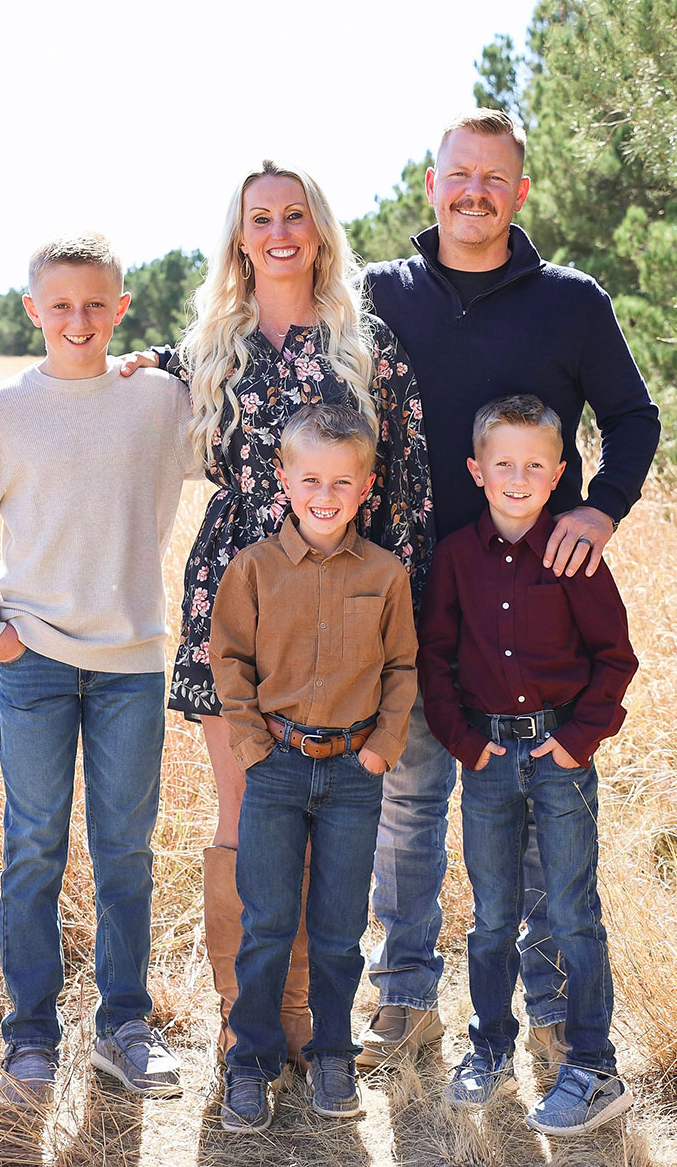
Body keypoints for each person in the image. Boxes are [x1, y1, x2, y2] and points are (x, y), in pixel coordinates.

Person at [358, 108, 660, 1068]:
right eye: (460, 174)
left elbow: (633, 415)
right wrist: (159, 362)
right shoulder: (377, 295)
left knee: (536, 821)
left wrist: (600, 510)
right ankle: (406, 996)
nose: (474, 192)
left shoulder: (570, 302)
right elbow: (279, 350)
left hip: (538, 615)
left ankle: (554, 1008)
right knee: (410, 807)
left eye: (494, 178)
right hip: (409, 600)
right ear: (433, 183)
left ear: (520, 192)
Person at [120, 160, 434, 1068]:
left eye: (295, 215)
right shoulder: (211, 346)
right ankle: (245, 1027)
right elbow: (147, 384)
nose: (279, 231)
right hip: (235, 590)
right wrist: (136, 363)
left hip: (339, 602)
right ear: (240, 237)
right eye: (260, 218)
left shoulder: (363, 344)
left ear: (319, 230)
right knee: (246, 812)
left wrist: (394, 614)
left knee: (322, 818)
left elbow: (406, 486)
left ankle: (304, 1026)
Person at [0, 234, 194, 1105]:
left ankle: (124, 1027)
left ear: (122, 308)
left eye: (95, 304)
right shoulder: (3, 411)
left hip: (132, 663)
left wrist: (173, 361)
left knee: (125, 850)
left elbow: (236, 432)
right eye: (60, 305)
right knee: (34, 845)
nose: (78, 320)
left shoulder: (158, 400)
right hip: (35, 661)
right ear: (32, 311)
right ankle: (31, 1039)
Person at [417, 394, 637, 1136]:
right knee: (491, 916)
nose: (519, 478)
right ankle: (489, 1046)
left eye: (535, 466)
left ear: (559, 474)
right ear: (476, 470)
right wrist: (461, 740)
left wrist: (579, 739)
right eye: (504, 464)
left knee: (573, 911)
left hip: (559, 757)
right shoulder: (455, 556)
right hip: (485, 757)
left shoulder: (573, 554)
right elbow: (434, 657)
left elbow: (615, 656)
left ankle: (593, 1064)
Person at [208, 404, 417, 1131]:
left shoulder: (385, 574)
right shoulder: (254, 569)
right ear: (284, 479)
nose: (325, 496)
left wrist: (382, 745)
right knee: (267, 922)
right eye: (310, 480)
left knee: (337, 926)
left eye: (341, 482)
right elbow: (229, 660)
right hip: (277, 767)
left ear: (366, 487)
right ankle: (250, 1060)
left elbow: (401, 666)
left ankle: (332, 1052)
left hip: (354, 772)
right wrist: (251, 746)